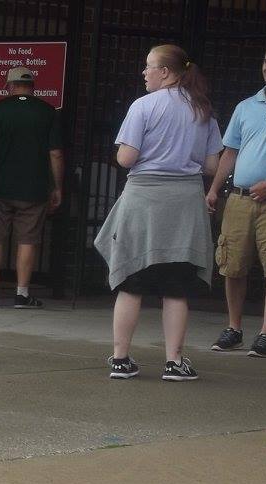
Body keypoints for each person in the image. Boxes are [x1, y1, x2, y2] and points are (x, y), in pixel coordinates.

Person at [94, 44, 221, 382]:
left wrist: (126, 147)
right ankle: (174, 362)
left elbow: (126, 159)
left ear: (165, 72)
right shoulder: (203, 110)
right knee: (176, 286)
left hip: (144, 198)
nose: (144, 73)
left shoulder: (143, 106)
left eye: (149, 66)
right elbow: (211, 164)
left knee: (131, 281)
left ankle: (121, 359)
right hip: (184, 202)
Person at [206, 47, 266, 358]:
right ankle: (234, 328)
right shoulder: (246, 107)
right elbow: (230, 152)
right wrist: (213, 188)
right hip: (238, 197)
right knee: (232, 264)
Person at [0, 66, 63, 308]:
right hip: (33, 188)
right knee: (28, 239)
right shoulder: (48, 112)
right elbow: (55, 153)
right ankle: (21, 293)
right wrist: (57, 186)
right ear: (32, 87)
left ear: (9, 86)